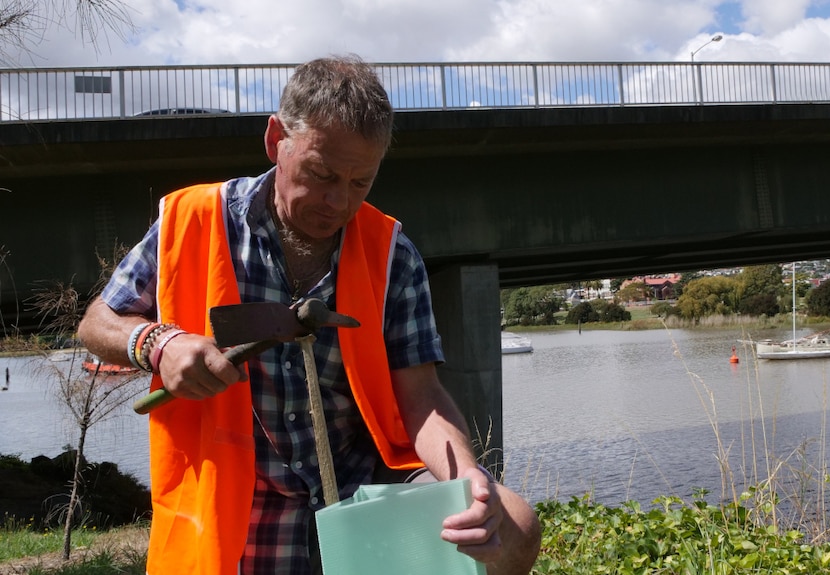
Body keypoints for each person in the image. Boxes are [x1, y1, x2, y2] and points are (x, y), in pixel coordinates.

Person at [77, 55, 541, 575]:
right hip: (230, 505)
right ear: (276, 139)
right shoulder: (192, 221)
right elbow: (96, 324)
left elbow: (422, 396)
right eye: (320, 174)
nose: (337, 201)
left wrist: (468, 480)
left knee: (513, 526)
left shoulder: (392, 253)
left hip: (361, 495)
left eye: (360, 182)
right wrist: (158, 344)